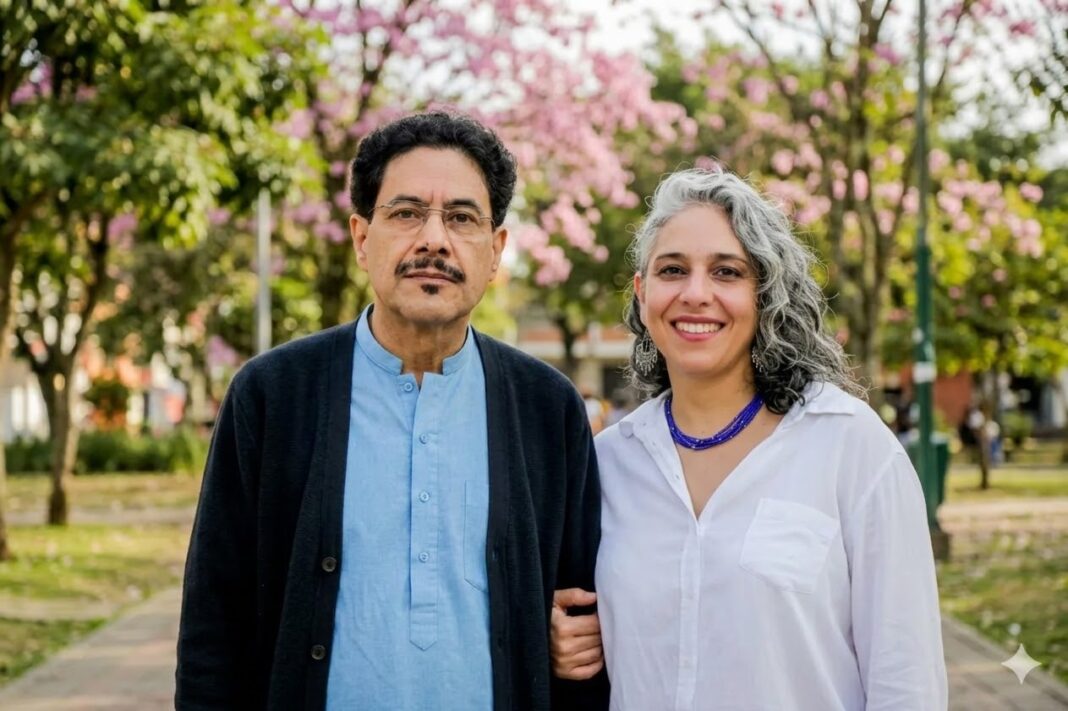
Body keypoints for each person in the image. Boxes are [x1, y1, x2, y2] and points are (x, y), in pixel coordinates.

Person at [177, 111, 607, 710]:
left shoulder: (547, 408)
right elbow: (213, 622)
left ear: (495, 252)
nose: (434, 239)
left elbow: (583, 617)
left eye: (462, 218)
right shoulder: (273, 396)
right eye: (406, 213)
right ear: (362, 238)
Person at [551, 169, 946, 710]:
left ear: (765, 295)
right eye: (672, 270)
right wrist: (556, 641)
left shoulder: (851, 447)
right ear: (642, 294)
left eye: (727, 272)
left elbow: (907, 681)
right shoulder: (607, 462)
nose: (695, 294)